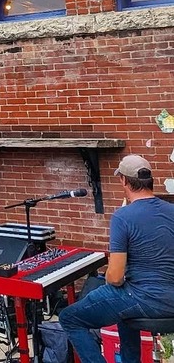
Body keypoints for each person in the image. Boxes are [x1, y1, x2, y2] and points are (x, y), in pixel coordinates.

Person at [59, 154, 174, 363]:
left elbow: (115, 278)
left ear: (123, 180)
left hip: (145, 299)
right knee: (120, 305)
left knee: (70, 318)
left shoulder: (123, 217)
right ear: (150, 181)